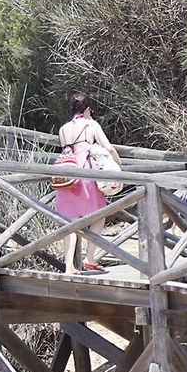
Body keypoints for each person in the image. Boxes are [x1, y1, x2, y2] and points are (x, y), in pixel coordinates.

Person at [54, 93, 119, 274]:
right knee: (99, 214)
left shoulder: (63, 128)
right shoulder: (91, 124)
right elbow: (109, 148)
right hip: (86, 171)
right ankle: (89, 257)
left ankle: (69, 266)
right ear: (88, 109)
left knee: (70, 221)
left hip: (67, 173)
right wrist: (118, 163)